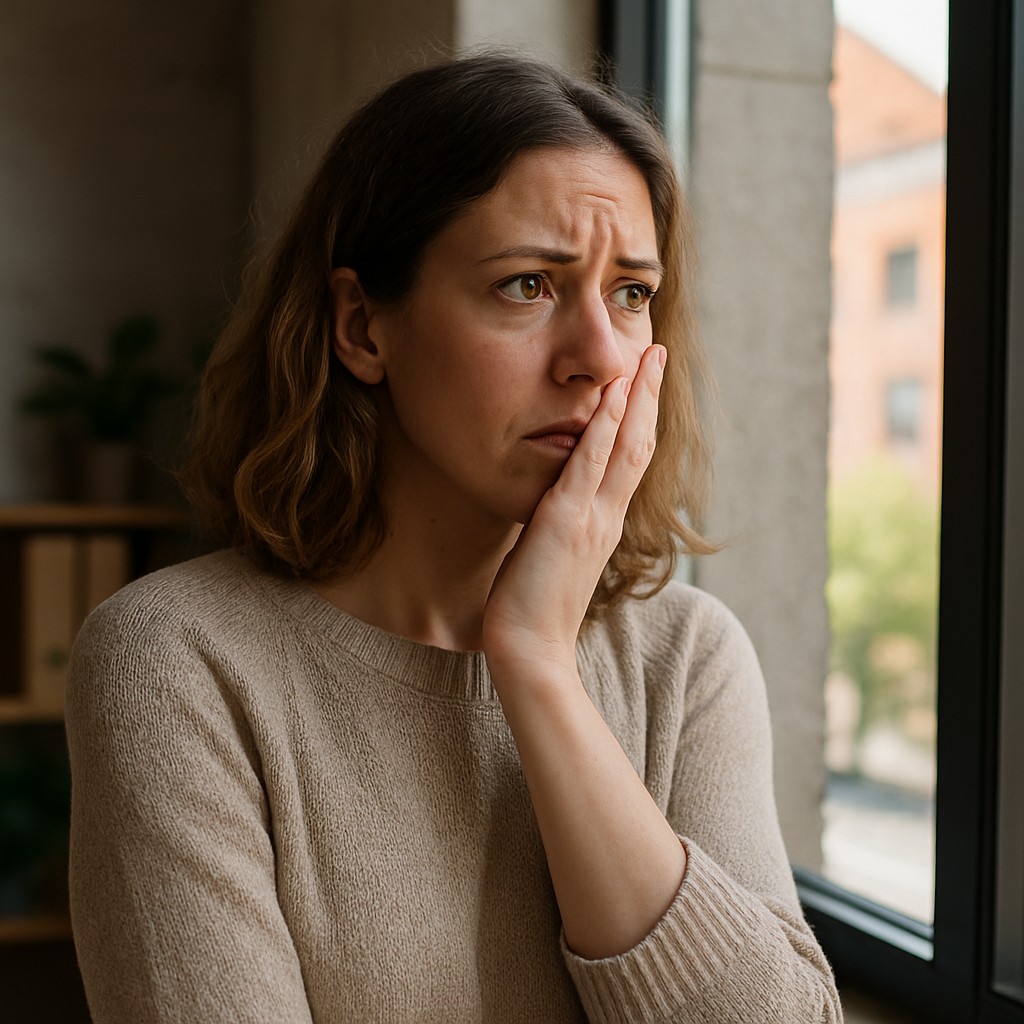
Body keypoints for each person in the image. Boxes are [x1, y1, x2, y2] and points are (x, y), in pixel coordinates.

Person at [66, 52, 842, 1023]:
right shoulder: (177, 658)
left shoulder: (684, 657)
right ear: (361, 326)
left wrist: (538, 667)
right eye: (526, 284)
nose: (600, 355)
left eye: (631, 293)